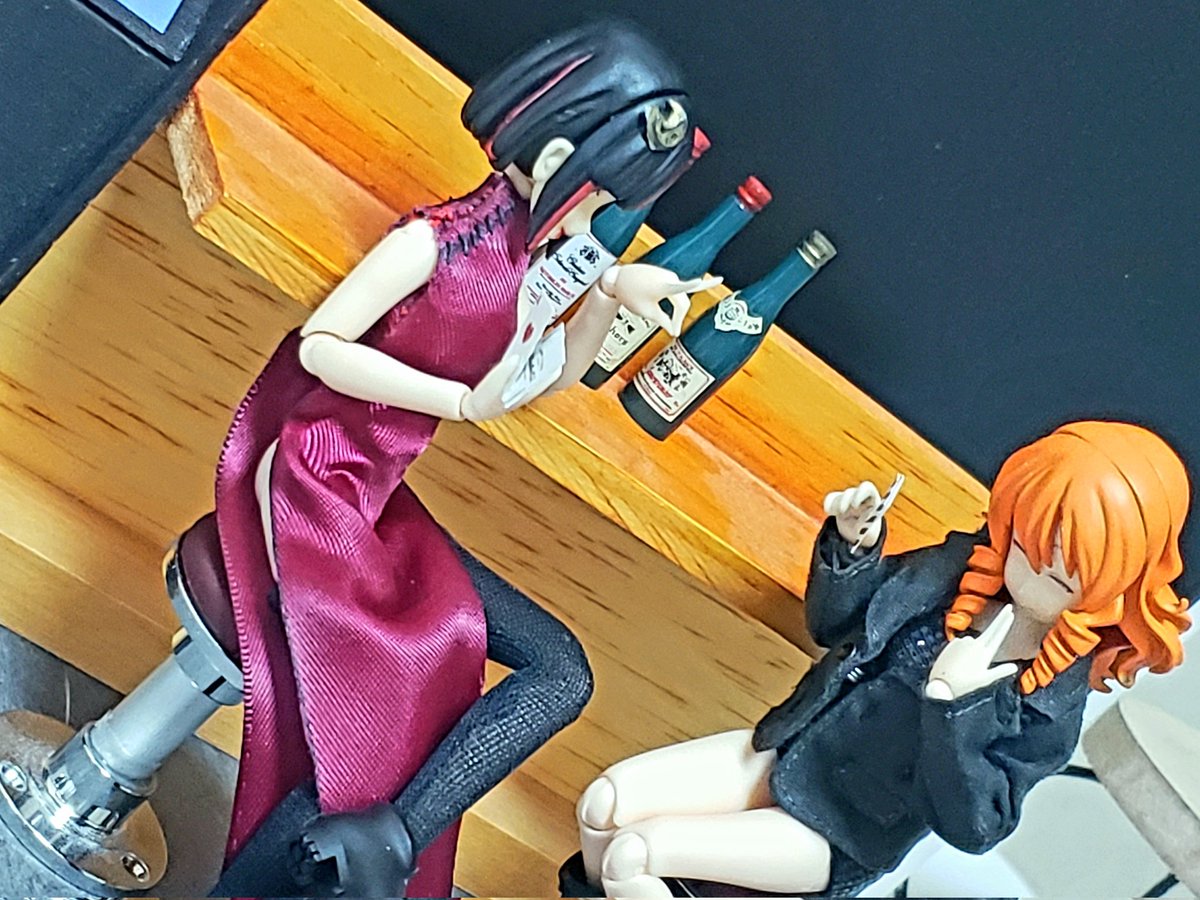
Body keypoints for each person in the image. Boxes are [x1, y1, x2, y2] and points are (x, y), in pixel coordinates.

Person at [211, 22, 713, 897]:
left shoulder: (533, 264)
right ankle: (326, 863)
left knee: (559, 670)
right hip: (308, 491)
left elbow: (554, 373)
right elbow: (321, 346)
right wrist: (455, 402)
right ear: (554, 157)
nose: (599, 212)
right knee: (377, 727)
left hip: (374, 505)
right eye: (601, 191)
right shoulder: (433, 245)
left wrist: (611, 291)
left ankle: (382, 846)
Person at [563, 420, 1191, 897]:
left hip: (839, 831)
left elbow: (975, 827)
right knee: (603, 806)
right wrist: (852, 546)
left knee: (635, 855)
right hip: (782, 750)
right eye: (1026, 541)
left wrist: (953, 707)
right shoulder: (952, 572)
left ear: (1113, 586)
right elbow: (834, 624)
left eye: (1062, 573)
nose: (1030, 571)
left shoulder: (1050, 708)